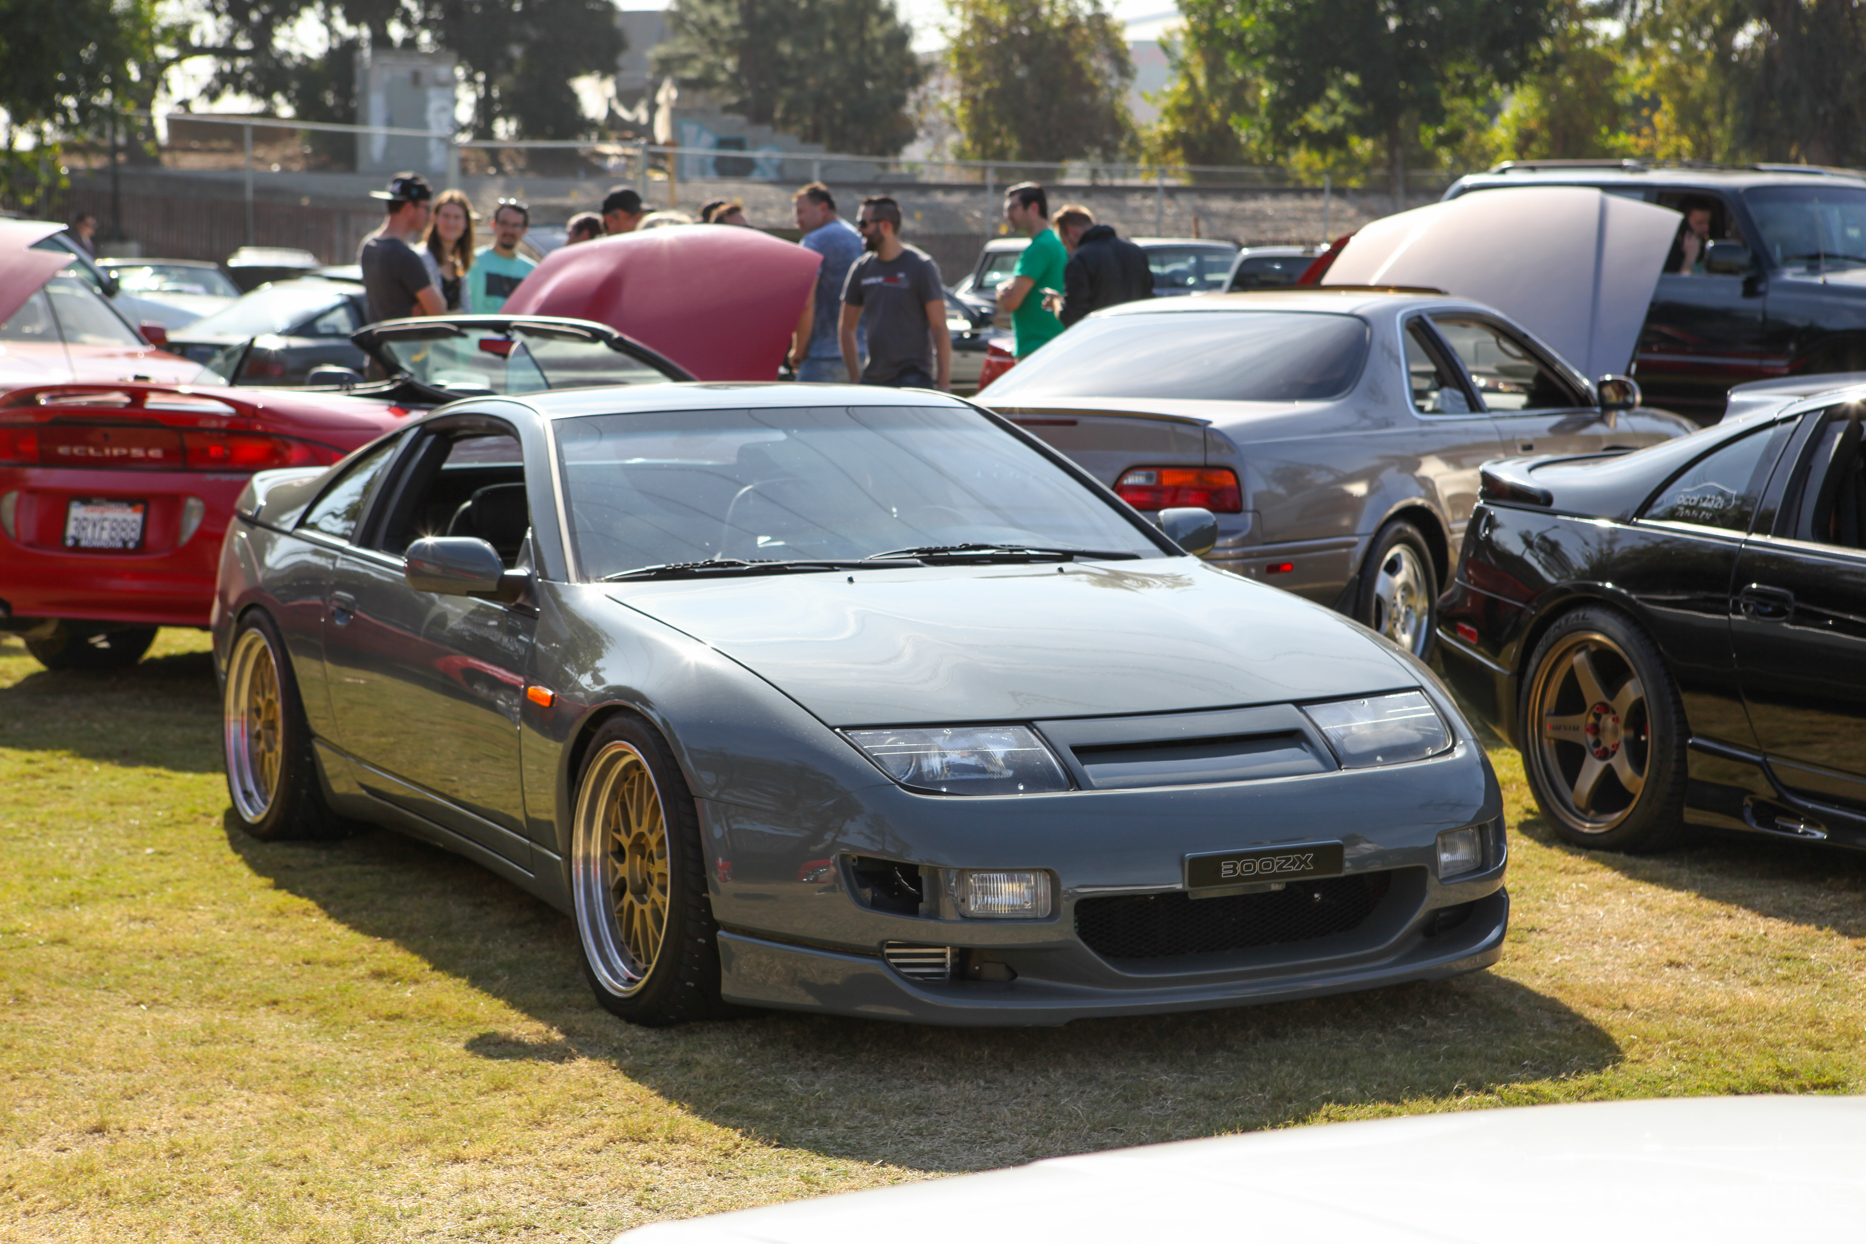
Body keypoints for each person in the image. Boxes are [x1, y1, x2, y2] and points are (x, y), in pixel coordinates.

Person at [839, 195, 950, 390]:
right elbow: (846, 327)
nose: (859, 230)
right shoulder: (861, 268)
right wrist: (855, 377)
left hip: (913, 379)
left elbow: (939, 328)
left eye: (863, 223)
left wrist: (943, 383)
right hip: (873, 380)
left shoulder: (921, 266)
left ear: (885, 225)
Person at [790, 182, 864, 384]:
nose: (797, 220)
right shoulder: (860, 239)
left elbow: (806, 303)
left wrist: (798, 350)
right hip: (862, 355)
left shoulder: (814, 241)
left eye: (801, 212)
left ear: (823, 208)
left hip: (823, 357)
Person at [359, 172, 443, 323]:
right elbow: (439, 313)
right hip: (404, 338)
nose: (429, 216)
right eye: (426, 208)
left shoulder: (368, 245)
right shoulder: (403, 256)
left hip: (377, 336)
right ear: (409, 208)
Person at [997, 182, 1067, 356]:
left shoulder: (1039, 248)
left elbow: (1010, 302)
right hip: (1051, 347)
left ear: (1033, 208)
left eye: (1013, 208)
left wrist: (1000, 290)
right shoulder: (1053, 241)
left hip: (1038, 350)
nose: (1007, 215)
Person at [1054, 204, 1153, 327]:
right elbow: (1148, 301)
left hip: (1099, 335)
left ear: (1071, 232)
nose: (1067, 250)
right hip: (1133, 333)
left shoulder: (1080, 259)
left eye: (1065, 243)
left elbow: (1073, 317)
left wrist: (1056, 303)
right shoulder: (1136, 251)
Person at [467, 198, 536, 315]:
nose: (509, 230)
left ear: (525, 230)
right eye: (504, 224)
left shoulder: (532, 272)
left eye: (516, 225)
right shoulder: (471, 261)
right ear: (493, 224)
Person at [422, 189, 475, 311]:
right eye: (446, 216)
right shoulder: (421, 259)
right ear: (435, 218)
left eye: (457, 217)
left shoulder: (459, 267)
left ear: (466, 223)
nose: (451, 223)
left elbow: (468, 313)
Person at [1669, 198, 1716, 275]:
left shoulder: (1704, 248)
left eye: (1708, 222)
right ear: (1684, 224)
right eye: (1700, 223)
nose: (1706, 228)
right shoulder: (1671, 254)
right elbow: (1682, 282)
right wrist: (1689, 258)